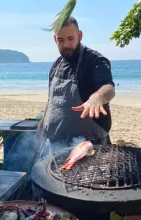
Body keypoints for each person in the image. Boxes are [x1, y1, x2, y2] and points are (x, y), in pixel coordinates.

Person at [36, 16, 115, 157]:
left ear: (80, 36)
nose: (66, 44)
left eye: (71, 39)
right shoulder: (56, 65)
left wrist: (97, 97)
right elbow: (51, 101)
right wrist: (40, 129)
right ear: (55, 39)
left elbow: (108, 87)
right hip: (55, 144)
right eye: (61, 40)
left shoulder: (95, 61)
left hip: (88, 146)